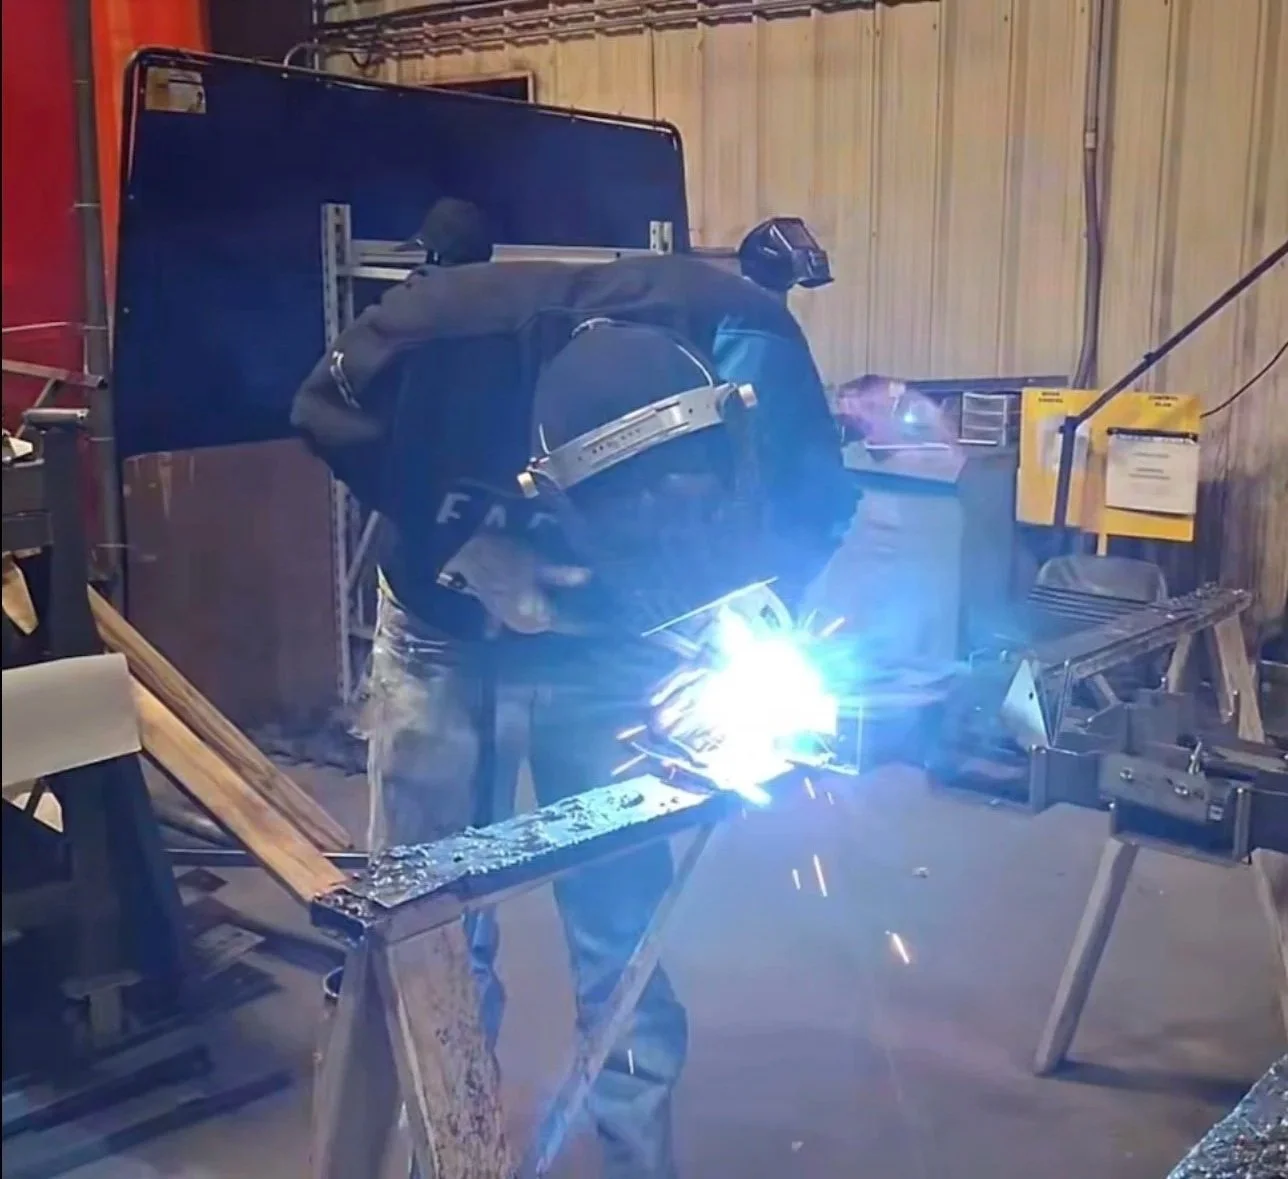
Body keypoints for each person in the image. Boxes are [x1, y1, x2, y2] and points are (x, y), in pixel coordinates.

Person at [291, 204, 854, 1179]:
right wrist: (463, 541)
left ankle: (640, 1163)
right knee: (432, 914)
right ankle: (449, 1153)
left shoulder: (752, 348)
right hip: (442, 625)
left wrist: (751, 634)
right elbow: (318, 412)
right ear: (545, 475)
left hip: (605, 640)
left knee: (618, 915)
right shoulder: (441, 338)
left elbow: (810, 512)